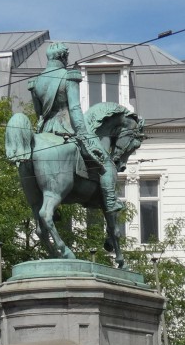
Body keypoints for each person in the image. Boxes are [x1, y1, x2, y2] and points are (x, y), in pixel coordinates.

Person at [27, 41, 121, 215]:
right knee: (105, 161)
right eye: (67, 57)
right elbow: (75, 109)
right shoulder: (68, 76)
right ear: (63, 57)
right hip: (66, 128)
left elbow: (39, 113)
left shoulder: (36, 82)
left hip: (46, 130)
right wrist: (85, 135)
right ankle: (110, 202)